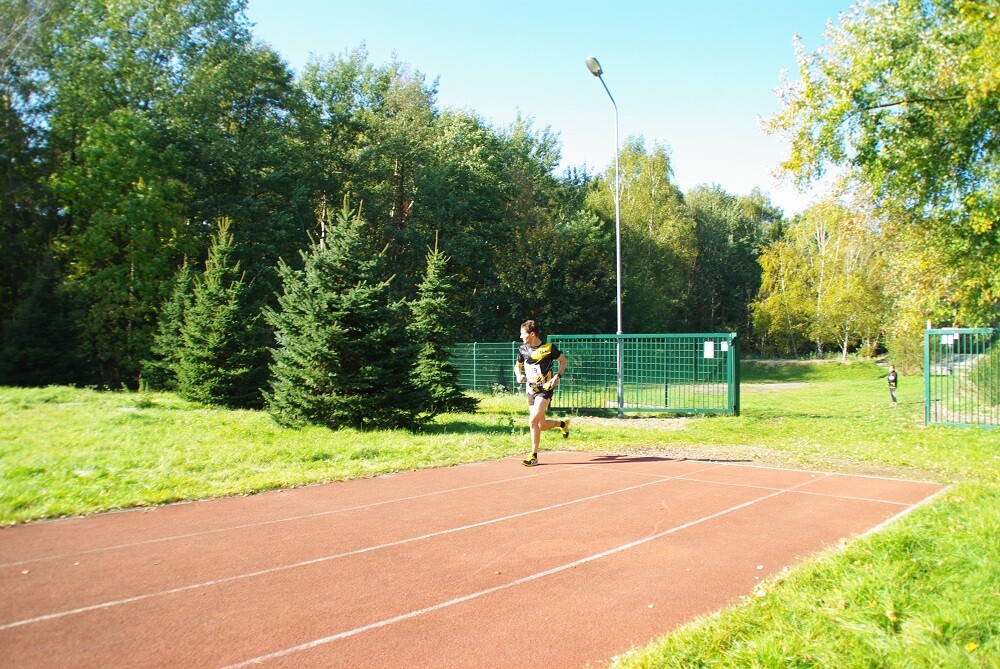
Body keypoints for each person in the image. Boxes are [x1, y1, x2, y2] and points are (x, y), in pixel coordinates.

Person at [514, 320, 569, 466]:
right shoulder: (522, 349)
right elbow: (517, 366)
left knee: (532, 421)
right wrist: (518, 375)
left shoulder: (549, 348)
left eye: (522, 334)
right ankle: (562, 423)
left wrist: (558, 376)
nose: (521, 337)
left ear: (532, 334)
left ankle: (533, 456)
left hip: (545, 389)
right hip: (531, 389)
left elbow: (563, 362)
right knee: (541, 425)